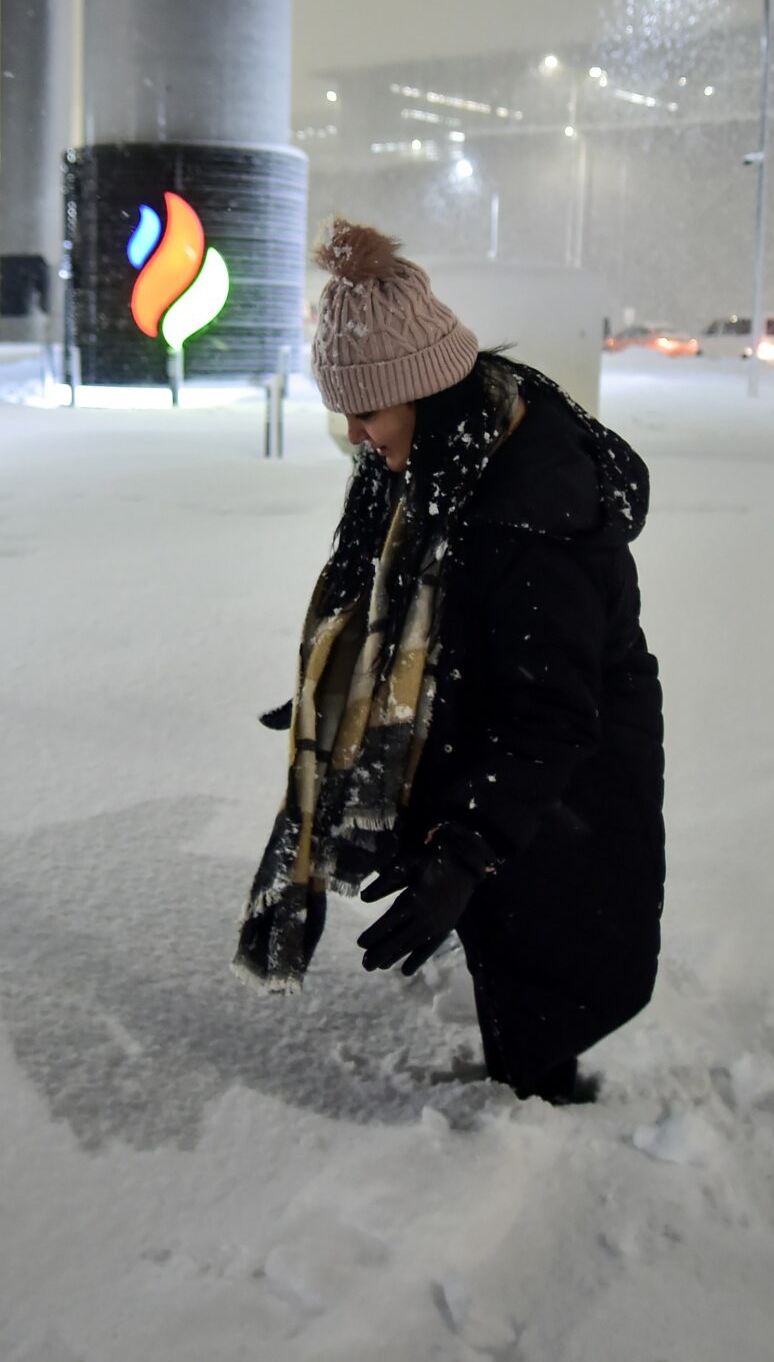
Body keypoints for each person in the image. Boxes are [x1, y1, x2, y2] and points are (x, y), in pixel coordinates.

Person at [236, 218, 665, 1104]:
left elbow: (550, 715)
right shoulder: (431, 461)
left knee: (552, 944)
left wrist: (465, 852)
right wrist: (334, 682)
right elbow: (380, 603)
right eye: (343, 413)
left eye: (366, 412)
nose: (356, 436)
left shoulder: (531, 506)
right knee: (505, 930)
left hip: (572, 765)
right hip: (484, 725)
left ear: (424, 393)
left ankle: (550, 1114)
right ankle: (526, 1069)